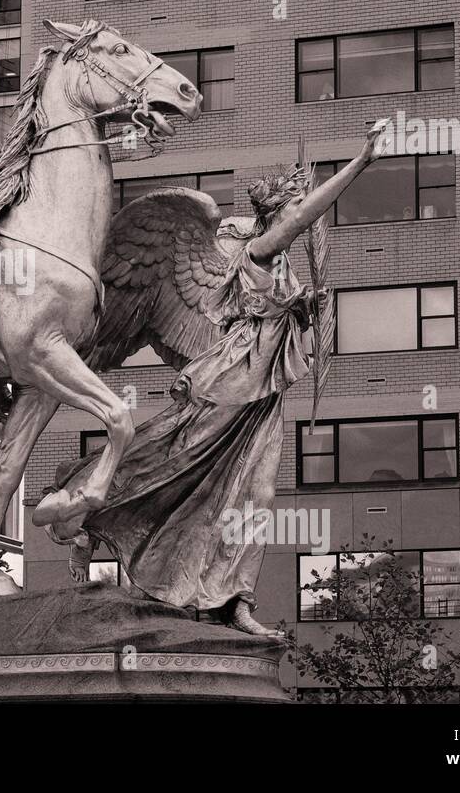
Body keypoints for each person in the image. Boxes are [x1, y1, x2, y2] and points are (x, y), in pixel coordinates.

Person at [39, 121, 390, 636]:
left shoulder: (284, 267)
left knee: (257, 498)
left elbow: (281, 310)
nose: (298, 217)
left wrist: (306, 308)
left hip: (264, 397)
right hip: (230, 380)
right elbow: (299, 224)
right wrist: (362, 162)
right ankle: (87, 508)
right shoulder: (257, 252)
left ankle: (234, 600)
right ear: (277, 219)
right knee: (166, 461)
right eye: (292, 210)